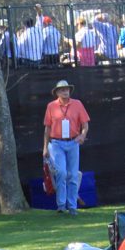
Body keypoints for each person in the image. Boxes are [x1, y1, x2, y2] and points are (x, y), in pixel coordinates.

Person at [43, 79, 89, 216]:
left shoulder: (77, 104)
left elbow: (85, 125)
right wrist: (45, 147)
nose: (65, 91)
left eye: (67, 89)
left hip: (73, 142)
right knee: (61, 173)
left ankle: (72, 207)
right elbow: (47, 128)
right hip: (57, 143)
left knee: (73, 175)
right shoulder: (51, 106)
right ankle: (61, 205)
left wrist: (82, 135)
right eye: (62, 89)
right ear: (57, 92)